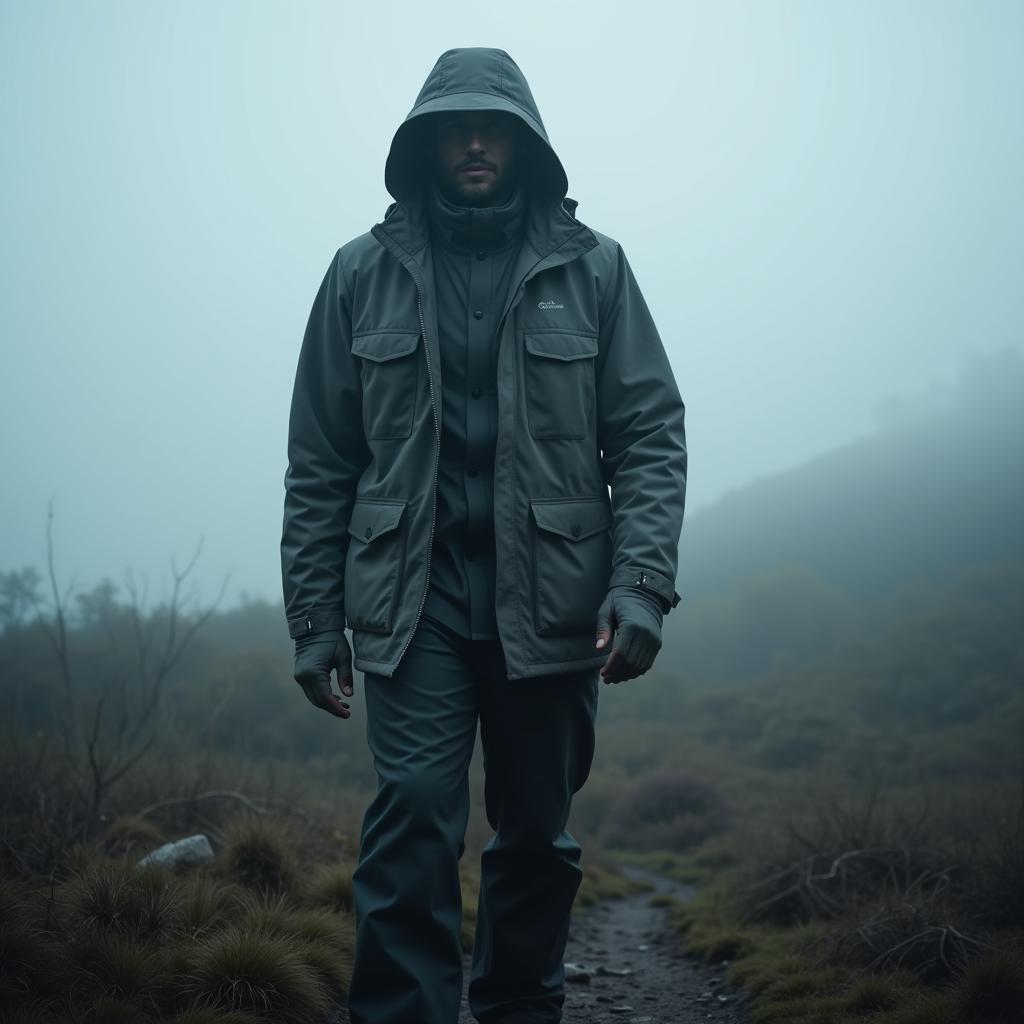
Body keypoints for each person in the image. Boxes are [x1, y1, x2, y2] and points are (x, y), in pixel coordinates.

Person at [280, 46, 687, 1024]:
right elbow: (322, 461)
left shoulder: (593, 269)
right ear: (421, 144)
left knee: (536, 837)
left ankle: (517, 1007)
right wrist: (313, 618)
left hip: (553, 606)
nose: (473, 141)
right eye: (454, 127)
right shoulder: (358, 275)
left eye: (493, 126)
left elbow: (648, 434)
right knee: (412, 817)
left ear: (525, 143)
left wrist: (639, 584)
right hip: (411, 603)